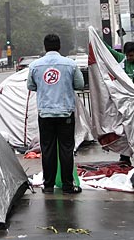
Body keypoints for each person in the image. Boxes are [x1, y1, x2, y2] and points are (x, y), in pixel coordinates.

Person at [27, 33, 84, 195]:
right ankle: (67, 185)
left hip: (45, 114)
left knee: (47, 149)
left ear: (45, 47)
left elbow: (31, 86)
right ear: (59, 46)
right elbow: (79, 84)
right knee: (66, 149)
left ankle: (49, 185)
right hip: (65, 113)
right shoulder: (70, 64)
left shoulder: (35, 66)